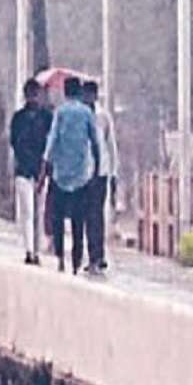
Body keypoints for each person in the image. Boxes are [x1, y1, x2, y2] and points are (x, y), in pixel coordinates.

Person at [43, 77, 99, 274]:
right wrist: (97, 167)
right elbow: (95, 141)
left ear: (65, 92)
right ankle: (76, 262)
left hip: (60, 175)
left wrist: (46, 165)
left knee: (58, 219)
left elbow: (52, 141)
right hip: (82, 175)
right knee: (78, 221)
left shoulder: (60, 112)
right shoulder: (86, 113)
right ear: (79, 92)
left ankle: (60, 258)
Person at [10, 78, 52, 265]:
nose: (33, 98)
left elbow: (50, 144)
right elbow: (14, 141)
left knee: (37, 212)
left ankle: (36, 249)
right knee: (28, 211)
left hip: (38, 171)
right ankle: (30, 250)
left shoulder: (46, 117)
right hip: (26, 171)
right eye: (31, 94)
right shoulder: (19, 118)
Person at [81, 81, 118, 275]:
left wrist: (114, 174)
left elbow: (111, 147)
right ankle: (92, 255)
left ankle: (99, 255)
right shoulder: (79, 116)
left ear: (95, 96)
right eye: (85, 95)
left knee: (97, 214)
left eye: (90, 95)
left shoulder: (103, 117)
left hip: (101, 173)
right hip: (83, 173)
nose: (88, 98)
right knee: (88, 215)